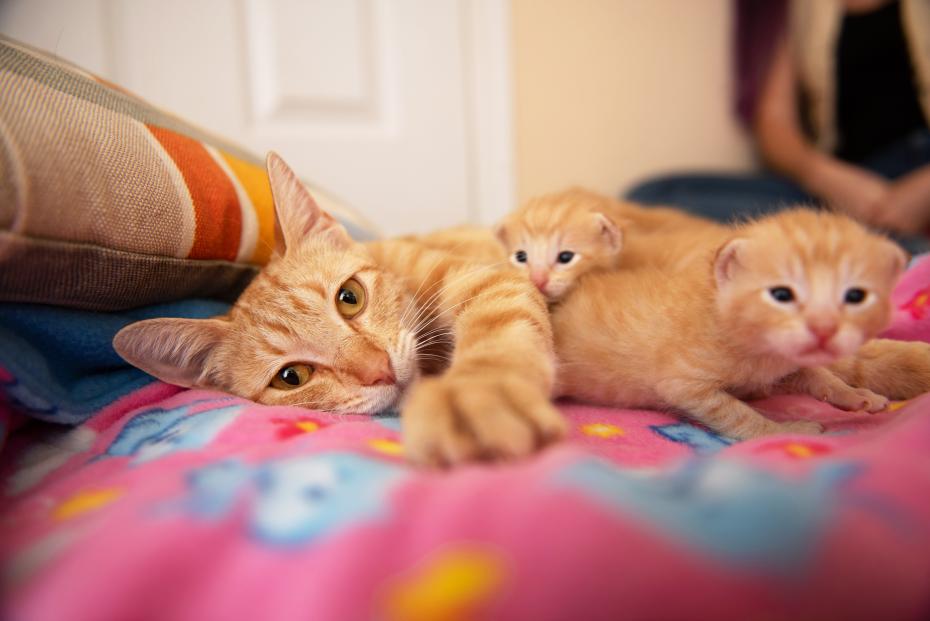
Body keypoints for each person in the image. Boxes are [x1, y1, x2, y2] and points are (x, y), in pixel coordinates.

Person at [626, 0, 930, 248]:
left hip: (920, 168)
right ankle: (877, 247)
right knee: (656, 197)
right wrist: (827, 178)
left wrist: (921, 192)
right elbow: (774, 123)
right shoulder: (803, 10)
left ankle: (889, 253)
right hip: (845, 180)